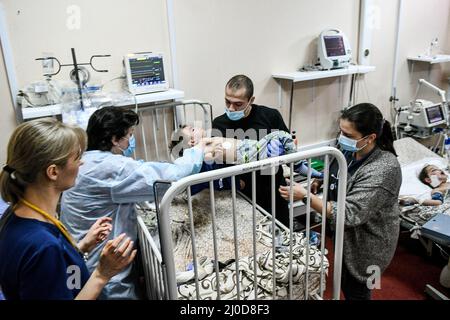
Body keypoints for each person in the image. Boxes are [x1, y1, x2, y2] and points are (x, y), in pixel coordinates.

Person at [60, 106, 212, 299]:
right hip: (103, 271)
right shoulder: (109, 167)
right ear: (115, 139)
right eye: (130, 135)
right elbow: (169, 177)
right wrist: (197, 150)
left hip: (78, 259)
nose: (132, 140)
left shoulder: (87, 160)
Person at [0, 118, 136, 300]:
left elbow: (53, 276)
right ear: (53, 172)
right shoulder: (43, 246)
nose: (81, 163)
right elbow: (46, 261)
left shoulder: (18, 214)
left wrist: (81, 248)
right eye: (77, 157)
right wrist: (103, 273)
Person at [279, 103, 401, 300]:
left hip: (370, 246)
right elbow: (337, 171)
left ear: (370, 138)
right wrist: (321, 181)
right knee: (344, 281)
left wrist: (304, 196)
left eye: (348, 135)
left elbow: (350, 213)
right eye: (341, 131)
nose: (342, 138)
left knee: (361, 289)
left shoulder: (385, 168)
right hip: (346, 238)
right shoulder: (347, 150)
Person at [212, 74, 293, 227]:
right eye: (227, 102)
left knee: (281, 234)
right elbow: (217, 164)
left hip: (272, 188)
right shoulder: (219, 124)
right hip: (240, 193)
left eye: (238, 104)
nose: (231, 108)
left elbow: (289, 147)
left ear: (251, 100)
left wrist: (284, 152)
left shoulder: (270, 116)